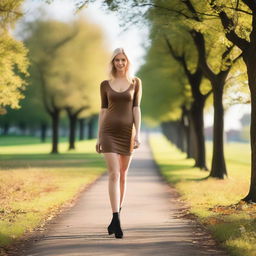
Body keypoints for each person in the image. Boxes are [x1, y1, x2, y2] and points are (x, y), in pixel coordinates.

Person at [96, 47, 142, 239]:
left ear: (127, 61)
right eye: (117, 60)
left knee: (123, 175)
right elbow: (103, 111)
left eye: (123, 60)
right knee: (114, 174)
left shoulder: (136, 82)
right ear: (113, 62)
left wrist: (137, 134)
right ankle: (117, 219)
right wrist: (99, 136)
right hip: (108, 132)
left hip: (127, 134)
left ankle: (116, 217)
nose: (120, 63)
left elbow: (136, 108)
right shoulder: (105, 84)